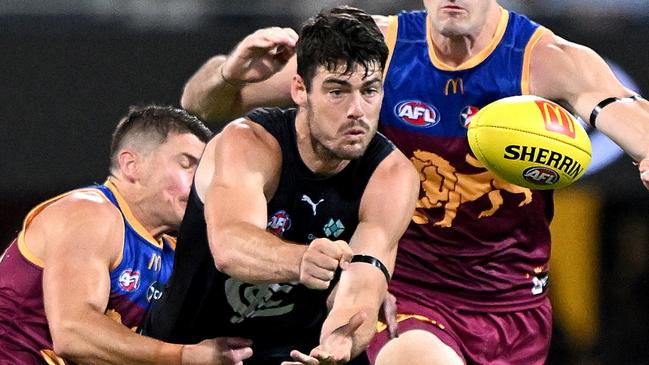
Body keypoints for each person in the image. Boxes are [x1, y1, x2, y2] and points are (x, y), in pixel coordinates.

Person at [175, 1, 649, 364]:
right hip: (408, 293)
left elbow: (618, 109)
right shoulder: (376, 48)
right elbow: (205, 103)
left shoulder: (543, 60)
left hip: (513, 303)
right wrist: (226, 72)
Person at [143, 8, 418, 365]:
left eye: (370, 91)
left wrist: (338, 345)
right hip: (191, 348)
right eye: (337, 91)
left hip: (295, 355)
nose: (357, 110)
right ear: (300, 90)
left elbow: (363, 286)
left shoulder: (392, 176)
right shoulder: (250, 144)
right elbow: (230, 244)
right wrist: (303, 259)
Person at [0, 105, 254, 365]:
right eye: (187, 165)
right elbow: (73, 333)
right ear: (131, 165)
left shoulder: (173, 252)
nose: (202, 182)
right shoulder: (89, 213)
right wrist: (185, 356)